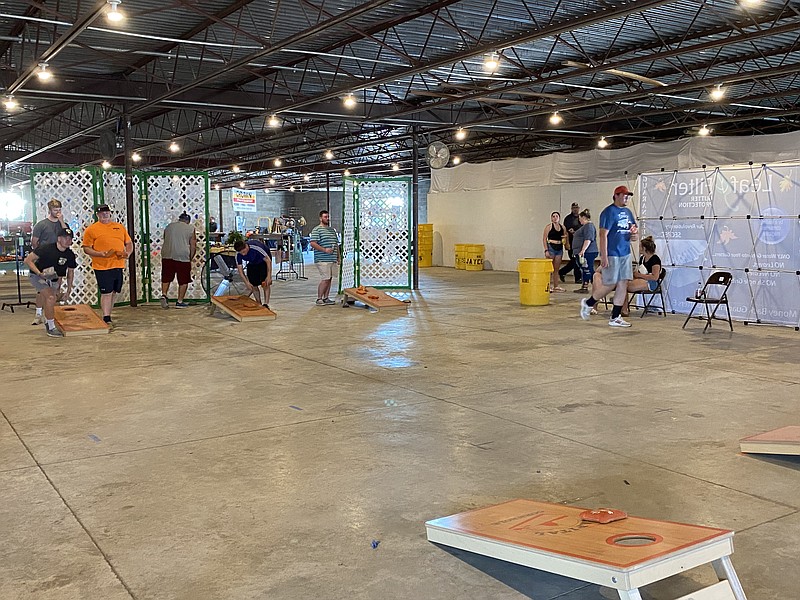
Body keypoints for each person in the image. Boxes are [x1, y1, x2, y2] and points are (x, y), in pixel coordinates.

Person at [579, 185, 638, 327]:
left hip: (625, 253)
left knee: (623, 282)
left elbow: (634, 234)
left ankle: (615, 316)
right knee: (610, 283)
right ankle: (589, 303)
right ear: (616, 195)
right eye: (624, 195)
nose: (626, 198)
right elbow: (602, 235)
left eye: (628, 196)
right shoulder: (608, 212)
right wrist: (604, 256)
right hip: (613, 253)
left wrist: (634, 234)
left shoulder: (628, 213)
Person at [82, 204, 133, 325]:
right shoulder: (91, 229)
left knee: (115, 291)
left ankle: (108, 313)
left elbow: (129, 243)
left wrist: (127, 253)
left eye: (106, 212)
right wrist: (100, 254)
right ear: (97, 215)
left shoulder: (119, 227)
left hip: (118, 264)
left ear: (110, 213)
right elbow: (86, 248)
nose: (105, 214)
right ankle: (106, 316)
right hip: (102, 266)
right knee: (106, 292)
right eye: (101, 213)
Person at [23, 227, 77, 338]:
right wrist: (39, 273)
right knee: (50, 297)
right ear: (58, 239)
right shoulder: (46, 249)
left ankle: (47, 318)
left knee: (53, 299)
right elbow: (28, 260)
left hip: (55, 278)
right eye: (65, 238)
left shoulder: (70, 255)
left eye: (70, 238)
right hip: (38, 276)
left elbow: (70, 273)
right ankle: (50, 327)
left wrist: (69, 290)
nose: (68, 241)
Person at [30, 199, 67, 325]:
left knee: (55, 287)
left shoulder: (62, 224)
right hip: (45, 259)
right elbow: (34, 242)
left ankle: (49, 313)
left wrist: (61, 220)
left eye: (59, 210)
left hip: (58, 260)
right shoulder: (41, 225)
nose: (57, 212)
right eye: (55, 210)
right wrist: (40, 254)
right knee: (42, 289)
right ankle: (38, 313)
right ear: (49, 210)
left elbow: (67, 234)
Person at [160, 212, 197, 309]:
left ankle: (164, 295)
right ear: (188, 221)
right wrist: (190, 257)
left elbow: (165, 238)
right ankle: (179, 301)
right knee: (183, 279)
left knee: (166, 277)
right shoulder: (190, 228)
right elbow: (193, 244)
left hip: (167, 254)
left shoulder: (169, 226)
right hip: (182, 255)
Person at [623, 236, 662, 316]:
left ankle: (623, 307)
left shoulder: (655, 259)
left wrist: (640, 275)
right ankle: (623, 307)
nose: (639, 248)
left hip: (651, 283)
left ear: (644, 248)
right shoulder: (642, 258)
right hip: (643, 279)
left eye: (640, 246)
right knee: (623, 284)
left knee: (625, 286)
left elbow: (655, 277)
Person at [309, 210, 339, 305]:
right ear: (320, 218)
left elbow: (336, 244)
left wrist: (339, 257)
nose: (327, 218)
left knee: (329, 279)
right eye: (325, 217)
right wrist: (324, 250)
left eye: (328, 217)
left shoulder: (332, 230)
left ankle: (326, 297)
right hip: (322, 259)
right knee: (325, 278)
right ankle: (319, 298)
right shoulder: (317, 230)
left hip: (332, 259)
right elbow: (313, 243)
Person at [233, 239, 272, 308]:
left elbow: (268, 261)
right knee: (253, 284)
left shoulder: (256, 248)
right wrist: (246, 282)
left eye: (244, 252)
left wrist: (269, 276)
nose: (243, 254)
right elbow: (240, 270)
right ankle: (258, 302)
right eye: (241, 253)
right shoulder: (238, 254)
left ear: (246, 246)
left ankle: (266, 303)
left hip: (263, 261)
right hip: (252, 263)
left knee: (265, 283)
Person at [571, 209, 598, 294]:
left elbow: (588, 239)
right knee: (585, 269)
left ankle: (597, 286)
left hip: (588, 252)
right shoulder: (585, 227)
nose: (579, 220)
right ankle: (585, 286)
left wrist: (583, 250)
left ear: (583, 217)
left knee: (588, 269)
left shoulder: (588, 226)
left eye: (580, 218)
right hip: (584, 252)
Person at [558, 202, 582, 284]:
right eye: (574, 208)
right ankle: (577, 278)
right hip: (572, 243)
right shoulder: (568, 219)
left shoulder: (581, 217)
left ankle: (562, 272)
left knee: (576, 260)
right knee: (575, 259)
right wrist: (566, 244)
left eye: (577, 207)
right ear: (571, 209)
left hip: (580, 243)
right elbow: (566, 232)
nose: (575, 209)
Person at [542, 211, 566, 292]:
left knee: (556, 269)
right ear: (551, 218)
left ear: (559, 218)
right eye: (553, 216)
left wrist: (566, 244)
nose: (555, 218)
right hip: (551, 248)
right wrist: (546, 250)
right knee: (549, 268)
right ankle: (547, 285)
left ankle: (556, 286)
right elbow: (544, 239)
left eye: (557, 216)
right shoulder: (548, 227)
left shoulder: (562, 227)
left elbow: (565, 237)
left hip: (559, 248)